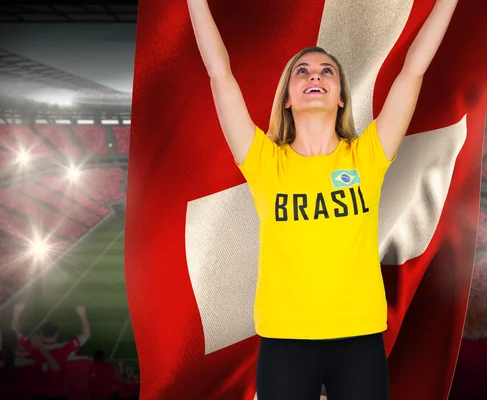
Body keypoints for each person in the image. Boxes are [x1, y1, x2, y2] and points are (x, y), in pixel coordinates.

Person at [187, 0, 458, 398]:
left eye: (326, 71)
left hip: (359, 340)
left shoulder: (367, 157)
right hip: (283, 343)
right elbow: (219, 72)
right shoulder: (265, 163)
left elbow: (413, 70)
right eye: (302, 71)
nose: (315, 75)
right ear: (287, 99)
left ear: (342, 98)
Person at [12, 303, 91, 400]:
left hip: (38, 394)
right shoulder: (64, 348)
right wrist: (82, 314)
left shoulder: (32, 346)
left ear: (41, 333)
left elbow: (14, 333)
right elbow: (86, 335)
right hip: (59, 394)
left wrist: (17, 312)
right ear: (57, 333)